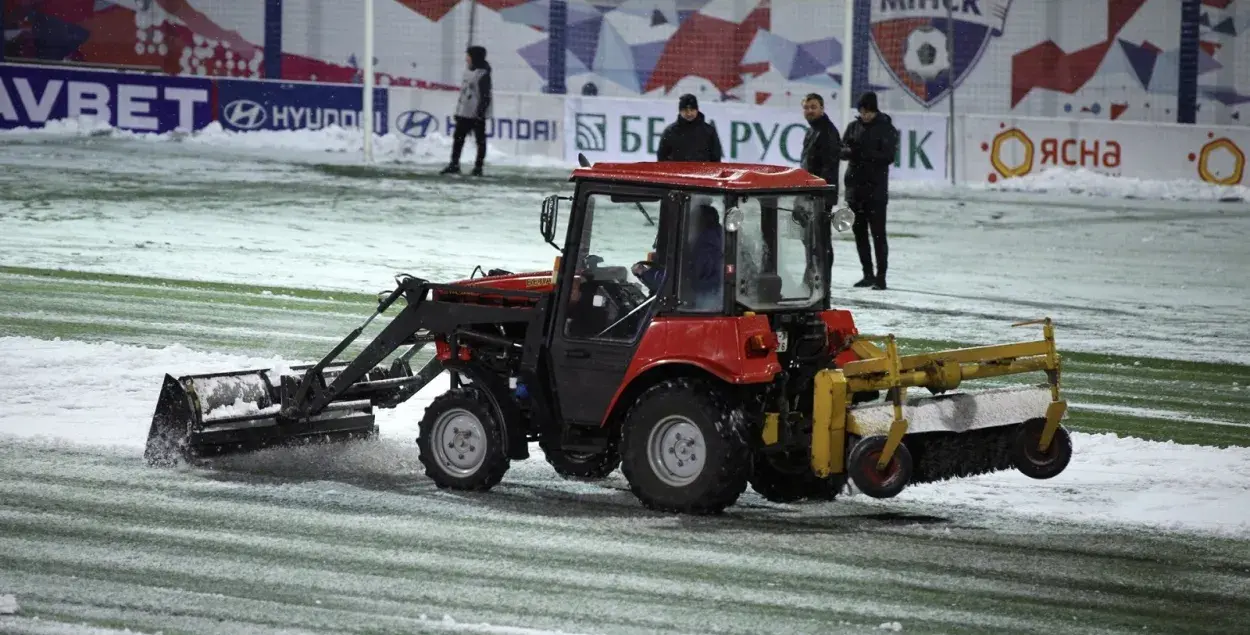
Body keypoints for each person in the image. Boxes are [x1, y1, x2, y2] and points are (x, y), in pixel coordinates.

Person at [840, 91, 898, 290]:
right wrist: (850, 151)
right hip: (855, 190)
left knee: (878, 235)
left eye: (868, 112)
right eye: (862, 112)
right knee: (860, 234)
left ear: (875, 110)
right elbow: (841, 150)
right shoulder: (853, 127)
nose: (865, 115)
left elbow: (888, 156)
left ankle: (881, 276)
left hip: (876, 190)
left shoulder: (886, 128)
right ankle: (867, 274)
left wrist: (863, 152)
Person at [633, 203, 723, 310]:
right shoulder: (717, 241)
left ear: (700, 223)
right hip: (708, 300)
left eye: (690, 221)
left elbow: (679, 282)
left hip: (701, 306)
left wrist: (645, 273)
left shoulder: (705, 248)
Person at [440, 45, 492, 177]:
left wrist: (480, 113)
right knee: (458, 138)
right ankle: (454, 164)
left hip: (475, 114)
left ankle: (478, 167)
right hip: (464, 112)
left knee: (480, 140)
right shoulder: (467, 71)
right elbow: (463, 93)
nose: (466, 58)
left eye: (468, 55)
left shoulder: (483, 74)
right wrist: (458, 111)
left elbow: (485, 96)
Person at [656, 94, 724, 162]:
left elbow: (716, 158)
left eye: (692, 109)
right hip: (677, 172)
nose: (689, 113)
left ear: (697, 110)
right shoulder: (670, 131)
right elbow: (661, 157)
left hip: (702, 172)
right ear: (680, 111)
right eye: (685, 110)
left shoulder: (709, 131)